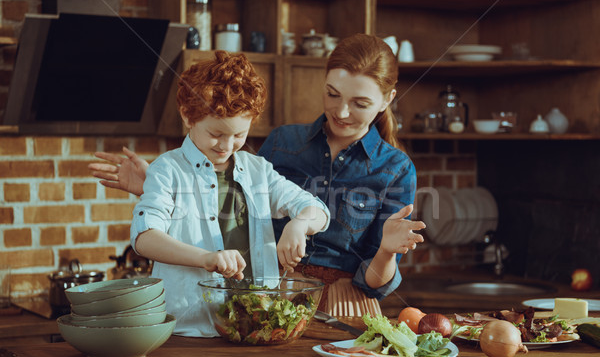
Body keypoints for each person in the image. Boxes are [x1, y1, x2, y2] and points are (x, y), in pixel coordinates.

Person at [89, 34, 425, 318]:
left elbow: (373, 278)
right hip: (276, 295)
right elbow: (234, 206)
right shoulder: (282, 143)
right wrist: (165, 185)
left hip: (346, 305)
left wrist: (384, 251)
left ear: (387, 100)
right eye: (332, 94)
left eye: (360, 103)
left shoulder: (396, 168)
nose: (341, 112)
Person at [127, 51, 329, 337]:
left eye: (238, 135)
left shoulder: (258, 170)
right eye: (216, 133)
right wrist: (204, 258)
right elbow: (144, 238)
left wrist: (299, 223)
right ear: (188, 116)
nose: (227, 145)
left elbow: (316, 210)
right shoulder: (168, 169)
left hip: (257, 325)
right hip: (189, 329)